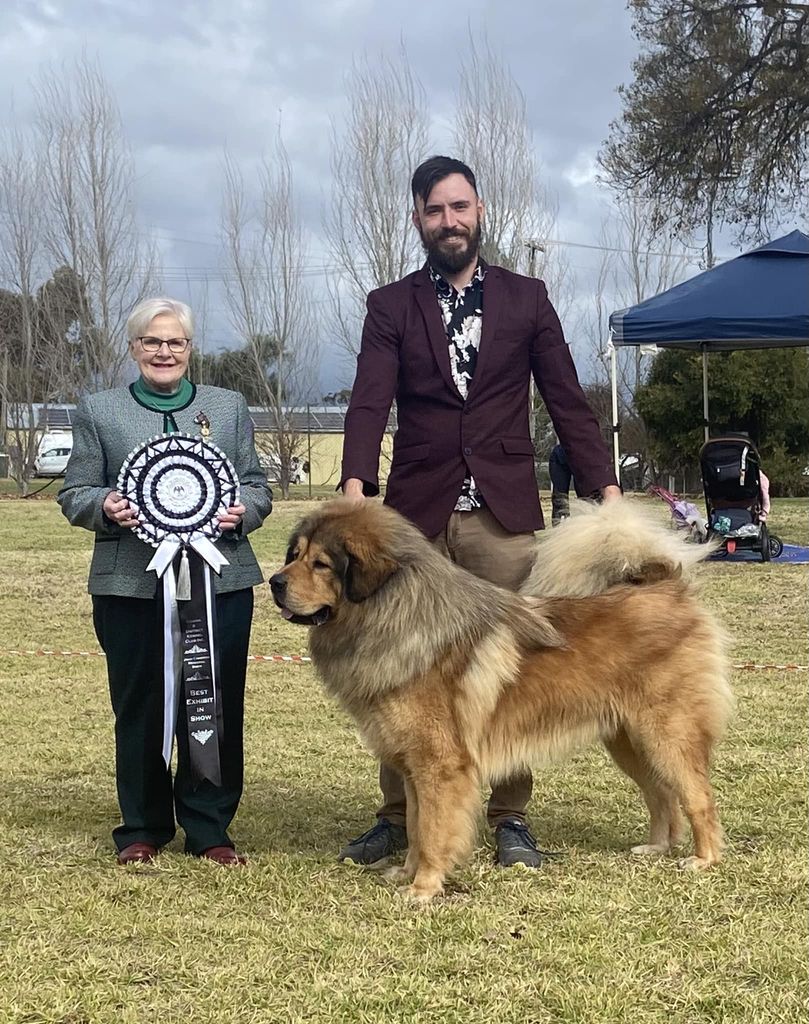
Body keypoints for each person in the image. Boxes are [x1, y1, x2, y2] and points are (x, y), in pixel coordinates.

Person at [338, 155, 620, 870]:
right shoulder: (389, 305)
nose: (448, 221)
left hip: (501, 511)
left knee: (512, 664)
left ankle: (509, 817)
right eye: (434, 211)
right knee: (396, 663)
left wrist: (604, 486)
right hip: (416, 512)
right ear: (417, 220)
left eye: (458, 207)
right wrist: (352, 482)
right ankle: (398, 815)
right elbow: (370, 398)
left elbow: (565, 397)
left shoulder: (527, 299)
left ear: (480, 210)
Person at [58, 297, 272, 866]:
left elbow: (257, 486)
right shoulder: (97, 410)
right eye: (151, 342)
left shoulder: (226, 408)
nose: (164, 351)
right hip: (130, 585)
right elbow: (72, 491)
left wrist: (240, 512)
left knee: (214, 702)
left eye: (175, 341)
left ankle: (210, 829)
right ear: (133, 349)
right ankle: (143, 827)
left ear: (189, 348)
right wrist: (103, 503)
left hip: (219, 582)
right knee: (140, 704)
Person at [548, 442, 573, 526]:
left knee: (588, 498)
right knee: (559, 499)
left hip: (584, 454)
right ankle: (558, 530)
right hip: (561, 454)